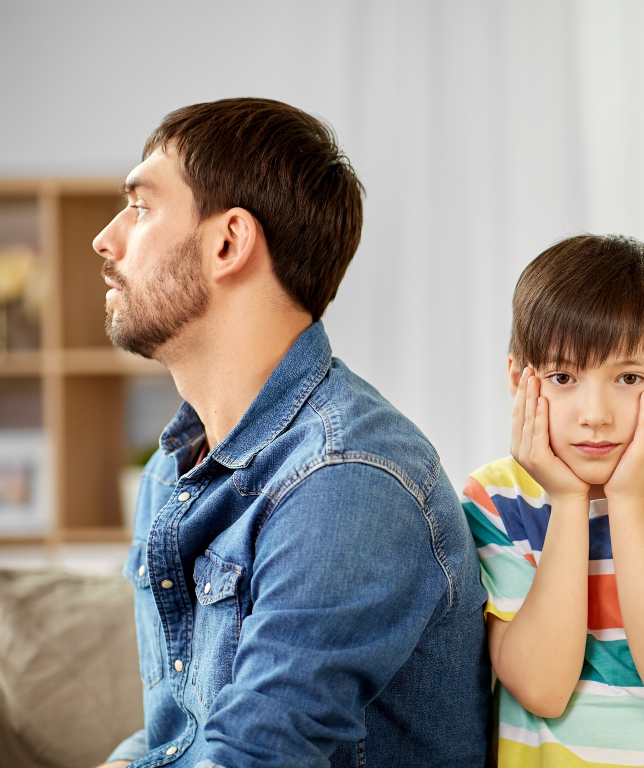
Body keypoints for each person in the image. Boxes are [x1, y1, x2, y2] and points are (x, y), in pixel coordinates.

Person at [92, 98, 489, 768]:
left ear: (228, 243)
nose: (107, 238)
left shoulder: (347, 480)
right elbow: (176, 735)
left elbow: (252, 758)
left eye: (140, 206)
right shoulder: (173, 470)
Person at [461, 235, 644, 766]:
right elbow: (542, 689)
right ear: (518, 380)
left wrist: (628, 501)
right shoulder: (498, 498)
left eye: (628, 378)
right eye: (563, 377)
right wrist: (569, 501)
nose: (594, 413)